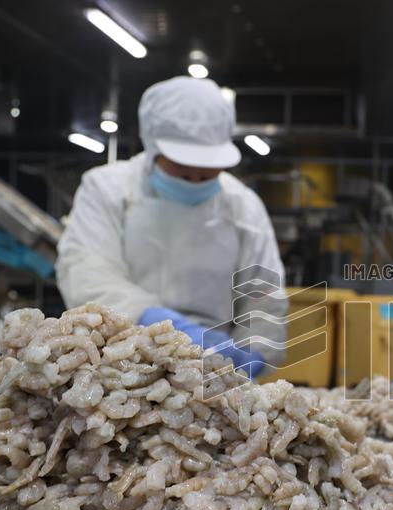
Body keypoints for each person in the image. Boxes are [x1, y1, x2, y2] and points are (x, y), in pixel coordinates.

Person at [57, 76, 286, 378]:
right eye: (183, 168)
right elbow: (88, 271)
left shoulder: (243, 206)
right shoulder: (107, 188)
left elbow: (263, 295)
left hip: (209, 367)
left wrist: (254, 353)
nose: (195, 179)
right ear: (153, 147)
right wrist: (151, 319)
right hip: (117, 362)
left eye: (206, 172)